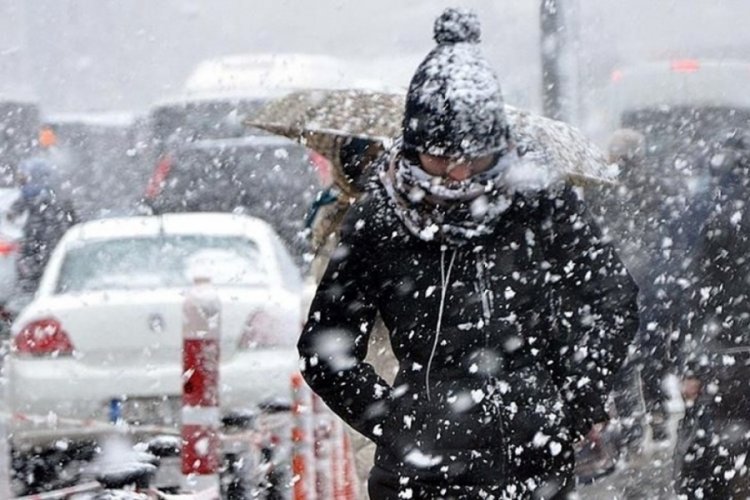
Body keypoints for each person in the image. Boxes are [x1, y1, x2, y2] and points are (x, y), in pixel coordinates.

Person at [298, 8, 639, 499]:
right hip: (422, 477)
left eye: (473, 159)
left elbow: (612, 296)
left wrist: (576, 398)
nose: (457, 176)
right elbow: (324, 349)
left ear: (498, 146)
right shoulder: (381, 218)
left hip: (535, 464)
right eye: (440, 158)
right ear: (413, 148)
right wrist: (397, 423)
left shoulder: (538, 201)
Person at [584, 129, 673, 452]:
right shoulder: (654, 183)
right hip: (647, 278)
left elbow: (593, 228)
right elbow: (664, 229)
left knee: (623, 358)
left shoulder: (601, 184)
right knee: (651, 353)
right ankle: (658, 416)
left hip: (614, 280)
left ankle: (633, 431)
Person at [674, 129, 750, 499]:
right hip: (730, 352)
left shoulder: (720, 218)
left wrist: (691, 366)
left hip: (726, 355)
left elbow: (698, 296)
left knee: (715, 454)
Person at [8, 156, 77, 293]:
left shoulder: (34, 195)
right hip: (48, 242)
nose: (21, 180)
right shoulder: (53, 194)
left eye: (25, 176)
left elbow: (15, 211)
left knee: (34, 274)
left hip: (39, 243)